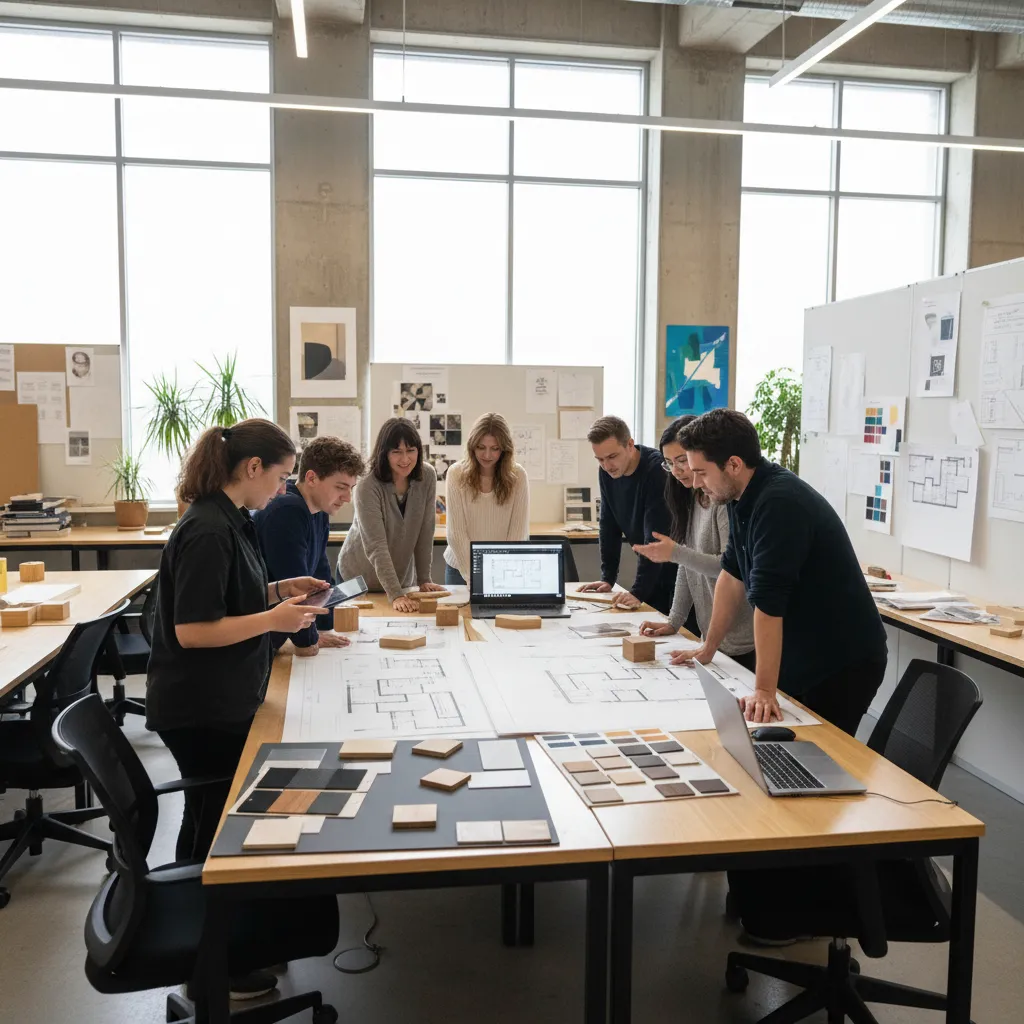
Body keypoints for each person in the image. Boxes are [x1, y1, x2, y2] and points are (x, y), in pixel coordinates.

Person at [146, 419, 328, 865]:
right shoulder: (208, 529)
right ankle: (193, 896)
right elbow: (192, 631)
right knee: (210, 811)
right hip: (199, 707)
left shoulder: (233, 518)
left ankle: (205, 892)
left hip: (222, 694)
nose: (283, 487)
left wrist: (279, 588)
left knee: (217, 806)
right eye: (281, 476)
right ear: (252, 467)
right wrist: (272, 620)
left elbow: (230, 596)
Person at [676, 408, 887, 735]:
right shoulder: (738, 496)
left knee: (817, 754)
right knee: (776, 739)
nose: (697, 483)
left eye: (701, 473)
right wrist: (709, 647)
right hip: (801, 649)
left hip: (841, 660)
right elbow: (731, 576)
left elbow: (768, 605)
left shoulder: (779, 503)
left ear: (733, 464)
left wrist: (763, 690)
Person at [633, 417, 756, 673]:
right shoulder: (692, 498)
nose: (677, 470)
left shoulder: (722, 501)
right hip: (711, 637)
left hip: (742, 641)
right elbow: (686, 566)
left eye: (682, 461)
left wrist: (676, 553)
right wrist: (674, 621)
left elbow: (730, 568)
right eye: (669, 464)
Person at [254, 436, 365, 657]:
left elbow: (320, 573)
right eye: (341, 487)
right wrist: (309, 642)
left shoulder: (317, 510)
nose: (347, 498)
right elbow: (295, 588)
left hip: (280, 633)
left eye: (351, 488)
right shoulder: (287, 510)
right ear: (312, 478)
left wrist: (326, 626)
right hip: (260, 639)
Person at [338, 417, 445, 611]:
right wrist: (395, 595)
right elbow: (376, 545)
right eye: (397, 452)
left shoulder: (427, 476)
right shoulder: (367, 485)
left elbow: (425, 530)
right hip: (357, 578)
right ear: (384, 453)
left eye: (411, 450)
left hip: (400, 580)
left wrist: (424, 579)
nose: (405, 459)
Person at [576, 416, 677, 616]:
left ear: (630, 445)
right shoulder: (607, 471)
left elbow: (654, 537)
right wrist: (608, 578)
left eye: (612, 456)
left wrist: (638, 592)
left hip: (676, 566)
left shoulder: (657, 470)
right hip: (650, 563)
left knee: (679, 633)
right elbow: (608, 524)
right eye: (600, 459)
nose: (607, 465)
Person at [443, 412, 530, 586]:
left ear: (504, 450)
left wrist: (500, 573)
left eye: (495, 448)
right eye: (481, 447)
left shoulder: (518, 475)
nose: (487, 455)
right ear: (472, 446)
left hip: (503, 569)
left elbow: (518, 534)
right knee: (461, 614)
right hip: (460, 569)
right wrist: (475, 576)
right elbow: (456, 533)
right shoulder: (456, 473)